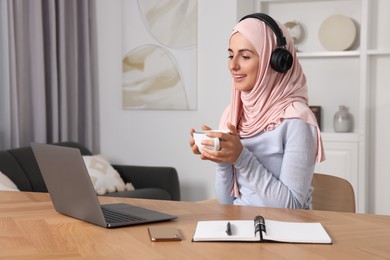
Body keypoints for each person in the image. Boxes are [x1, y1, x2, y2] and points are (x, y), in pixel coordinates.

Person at [189, 13, 325, 209]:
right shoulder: (232, 113)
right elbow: (227, 202)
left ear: (276, 62)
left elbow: (292, 207)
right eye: (230, 55)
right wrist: (221, 158)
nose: (233, 65)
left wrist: (240, 157)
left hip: (287, 230)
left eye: (244, 56)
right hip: (242, 226)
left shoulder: (297, 119)